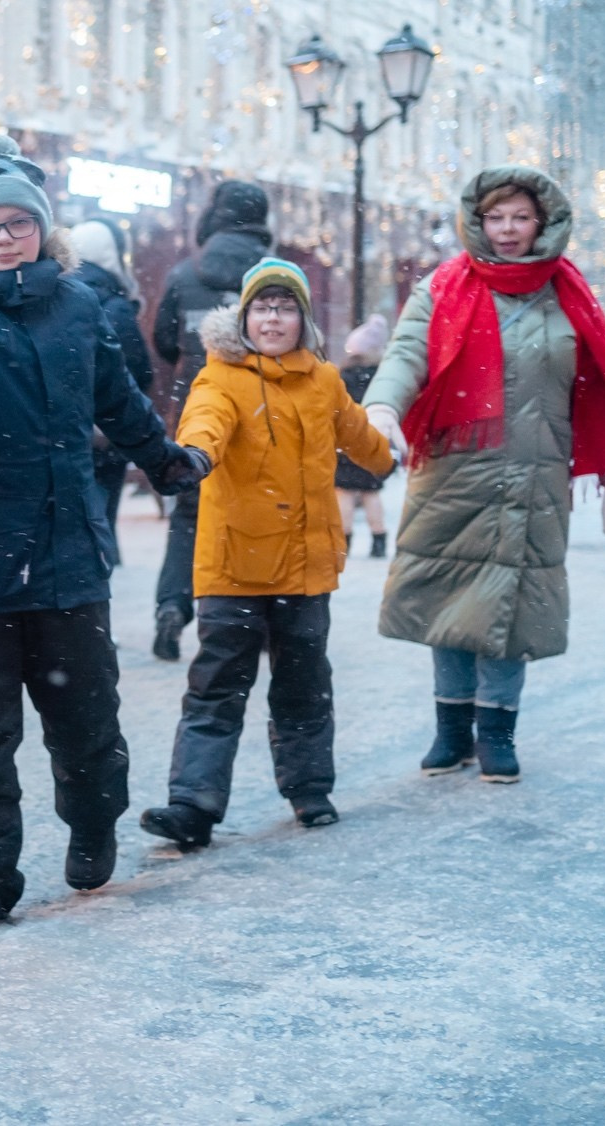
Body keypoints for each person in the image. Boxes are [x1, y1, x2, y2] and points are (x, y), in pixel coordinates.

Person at [0, 135, 207, 934]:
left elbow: (119, 401)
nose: (2, 238)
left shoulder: (79, 309)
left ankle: (95, 820)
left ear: (42, 230)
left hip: (68, 553)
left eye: (16, 223)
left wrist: (164, 462)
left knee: (86, 719)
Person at [361, 166, 605, 784]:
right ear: (477, 222)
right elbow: (407, 352)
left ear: (543, 222)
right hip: (454, 468)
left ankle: (497, 733)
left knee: (512, 603)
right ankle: (451, 731)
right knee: (447, 596)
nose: (507, 231)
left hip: (534, 472)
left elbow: (603, 385)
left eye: (520, 218)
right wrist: (382, 404)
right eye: (495, 218)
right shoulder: (444, 286)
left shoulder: (568, 291)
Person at [139, 260, 394, 849]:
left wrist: (387, 458)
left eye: (284, 308)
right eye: (262, 307)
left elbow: (357, 433)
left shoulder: (323, 379)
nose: (273, 318)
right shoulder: (218, 378)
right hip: (236, 566)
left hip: (306, 568)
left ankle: (309, 790)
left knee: (304, 686)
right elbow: (206, 423)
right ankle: (192, 806)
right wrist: (195, 456)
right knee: (217, 690)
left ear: (301, 320)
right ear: (245, 317)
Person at [149, 180, 275, 661]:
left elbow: (162, 340)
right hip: (263, 410)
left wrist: (195, 358)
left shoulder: (184, 273)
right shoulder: (272, 275)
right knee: (256, 514)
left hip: (197, 408)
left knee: (188, 518)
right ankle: (253, 622)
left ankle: (172, 608)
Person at [67, 218, 155, 538]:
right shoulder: (114, 304)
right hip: (105, 430)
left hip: (63, 427)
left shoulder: (54, 296)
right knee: (101, 521)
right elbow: (140, 369)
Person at [335, 315, 392, 557]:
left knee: (343, 492)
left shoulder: (341, 376)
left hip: (344, 442)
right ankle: (378, 540)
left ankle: (345, 541)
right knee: (371, 493)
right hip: (370, 438)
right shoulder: (380, 376)